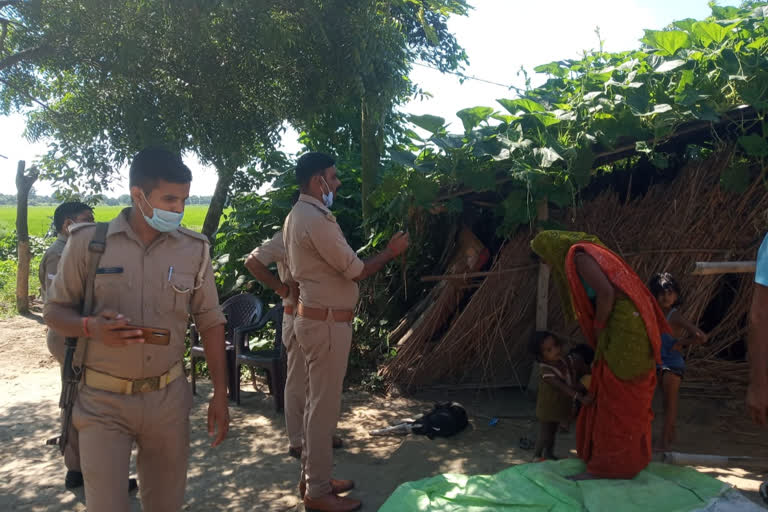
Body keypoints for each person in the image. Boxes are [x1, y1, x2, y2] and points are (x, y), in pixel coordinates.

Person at [43, 148, 230, 512]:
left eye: (184, 200)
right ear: (138, 195)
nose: (178, 208)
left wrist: (219, 394)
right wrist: (90, 327)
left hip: (168, 399)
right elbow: (53, 310)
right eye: (169, 199)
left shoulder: (193, 249)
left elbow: (210, 321)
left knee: (166, 503)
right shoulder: (88, 243)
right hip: (102, 400)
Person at [284, 152, 409, 512]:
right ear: (316, 181)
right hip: (325, 325)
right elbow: (355, 269)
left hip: (317, 320)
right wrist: (390, 251)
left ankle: (314, 480)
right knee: (323, 411)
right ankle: (318, 494)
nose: (337, 184)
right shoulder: (315, 219)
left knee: (316, 409)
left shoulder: (298, 215)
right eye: (333, 177)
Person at [530, 230, 670, 480]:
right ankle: (620, 461)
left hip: (624, 331)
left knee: (615, 399)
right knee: (611, 393)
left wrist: (599, 326)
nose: (548, 264)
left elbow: (606, 293)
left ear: (551, 250)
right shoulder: (585, 254)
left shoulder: (579, 258)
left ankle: (607, 468)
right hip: (625, 329)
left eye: (545, 258)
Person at [244, 226, 344, 458]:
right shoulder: (286, 236)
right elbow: (252, 262)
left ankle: (323, 434)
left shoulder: (322, 234)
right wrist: (282, 288)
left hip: (324, 317)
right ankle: (297, 440)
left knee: (323, 382)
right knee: (298, 379)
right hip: (296, 313)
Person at [38, 201, 110, 490]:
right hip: (69, 336)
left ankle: (83, 467)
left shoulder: (73, 250)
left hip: (79, 334)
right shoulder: (60, 254)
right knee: (76, 401)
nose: (92, 225)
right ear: (68, 225)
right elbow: (63, 303)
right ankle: (77, 469)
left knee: (82, 399)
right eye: (86, 220)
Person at [648, 272, 707, 451]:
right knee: (654, 401)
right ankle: (666, 436)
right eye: (662, 294)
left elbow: (701, 337)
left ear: (676, 295)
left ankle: (664, 442)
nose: (666, 297)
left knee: (669, 403)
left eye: (670, 293)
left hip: (672, 363)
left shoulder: (674, 316)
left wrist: (681, 343)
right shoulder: (651, 313)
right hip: (656, 361)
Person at [529, 331, 593, 461]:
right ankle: (536, 456)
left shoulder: (563, 360)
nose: (555, 350)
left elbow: (574, 367)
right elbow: (564, 388)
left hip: (559, 405)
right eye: (549, 350)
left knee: (552, 433)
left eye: (556, 345)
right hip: (548, 407)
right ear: (541, 357)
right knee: (545, 433)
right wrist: (581, 398)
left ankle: (549, 454)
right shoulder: (546, 371)